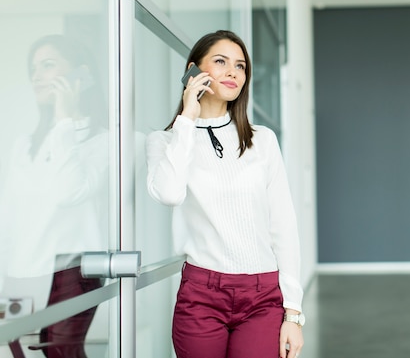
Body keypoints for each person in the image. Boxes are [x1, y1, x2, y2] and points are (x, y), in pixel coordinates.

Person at [145, 30, 305, 358]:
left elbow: (284, 227)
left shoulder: (263, 140)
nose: (233, 72)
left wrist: (293, 313)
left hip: (263, 296)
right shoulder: (165, 143)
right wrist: (187, 117)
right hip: (201, 295)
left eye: (241, 66)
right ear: (194, 70)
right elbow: (170, 194)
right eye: (220, 62)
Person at [0, 34, 108, 358]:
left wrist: (66, 118)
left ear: (81, 75)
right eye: (34, 68)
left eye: (48, 65)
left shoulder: (105, 143)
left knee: (61, 351)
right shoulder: (25, 146)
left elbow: (69, 192)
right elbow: (11, 216)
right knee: (20, 352)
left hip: (71, 270)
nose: (36, 75)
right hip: (22, 271)